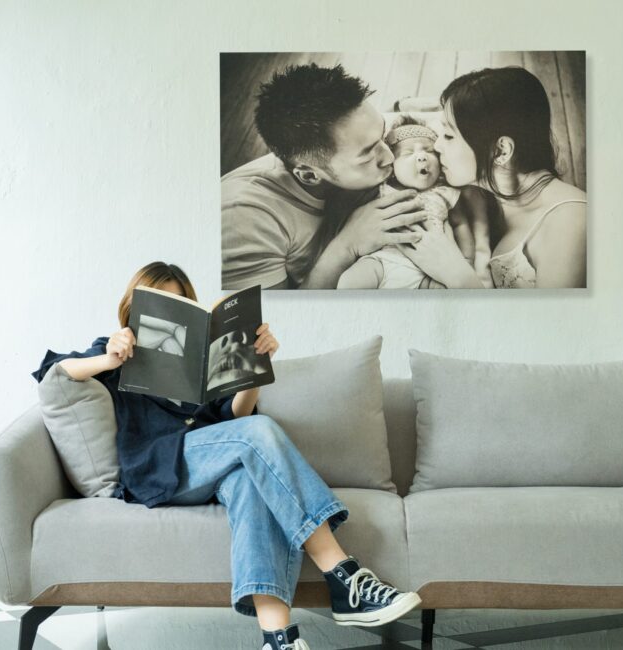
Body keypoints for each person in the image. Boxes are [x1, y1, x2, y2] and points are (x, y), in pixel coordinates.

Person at [31, 262, 421, 650]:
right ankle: (343, 576)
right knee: (258, 432)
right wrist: (109, 360)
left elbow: (235, 417)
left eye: (179, 301)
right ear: (134, 308)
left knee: (252, 482)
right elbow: (54, 370)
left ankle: (278, 639)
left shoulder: (202, 361)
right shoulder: (115, 350)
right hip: (158, 469)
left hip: (212, 466)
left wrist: (254, 366)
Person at [221, 63, 430, 290]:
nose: (389, 156)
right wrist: (347, 245)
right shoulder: (243, 221)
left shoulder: (356, 134)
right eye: (367, 155)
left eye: (381, 135)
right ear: (310, 176)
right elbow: (276, 318)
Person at [399, 66, 588, 289]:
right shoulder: (485, 196)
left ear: (501, 151)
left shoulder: (573, 222)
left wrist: (457, 275)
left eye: (448, 136)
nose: (437, 146)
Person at [337, 116, 471, 289]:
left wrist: (466, 260)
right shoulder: (382, 189)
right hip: (383, 259)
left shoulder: (445, 193)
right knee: (350, 281)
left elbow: (461, 224)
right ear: (391, 166)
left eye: (429, 151)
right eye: (408, 153)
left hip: (433, 270)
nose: (422, 156)